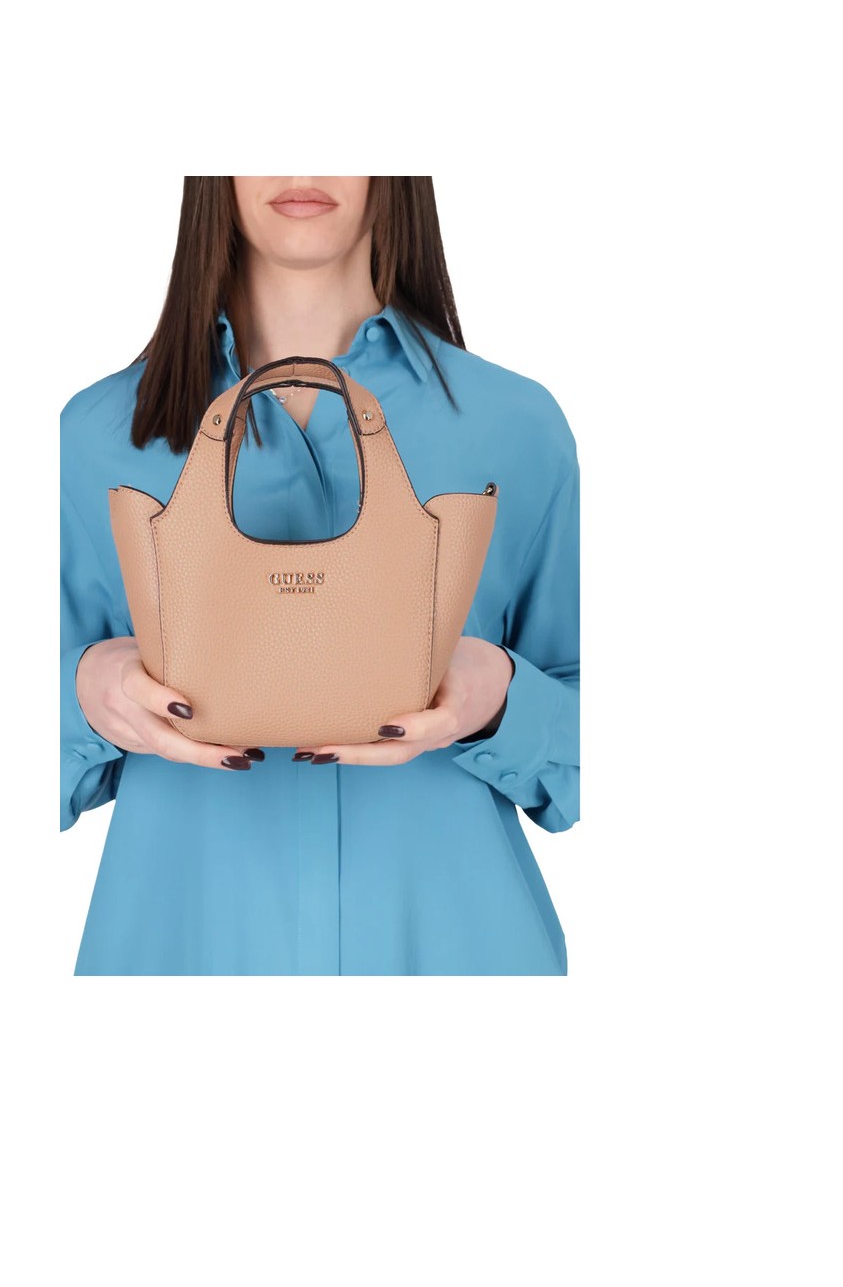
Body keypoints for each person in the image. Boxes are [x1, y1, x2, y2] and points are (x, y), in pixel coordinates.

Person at [60, 176, 579, 975]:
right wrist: (85, 692)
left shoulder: (516, 426)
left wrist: (501, 695)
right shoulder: (94, 436)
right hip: (182, 950)